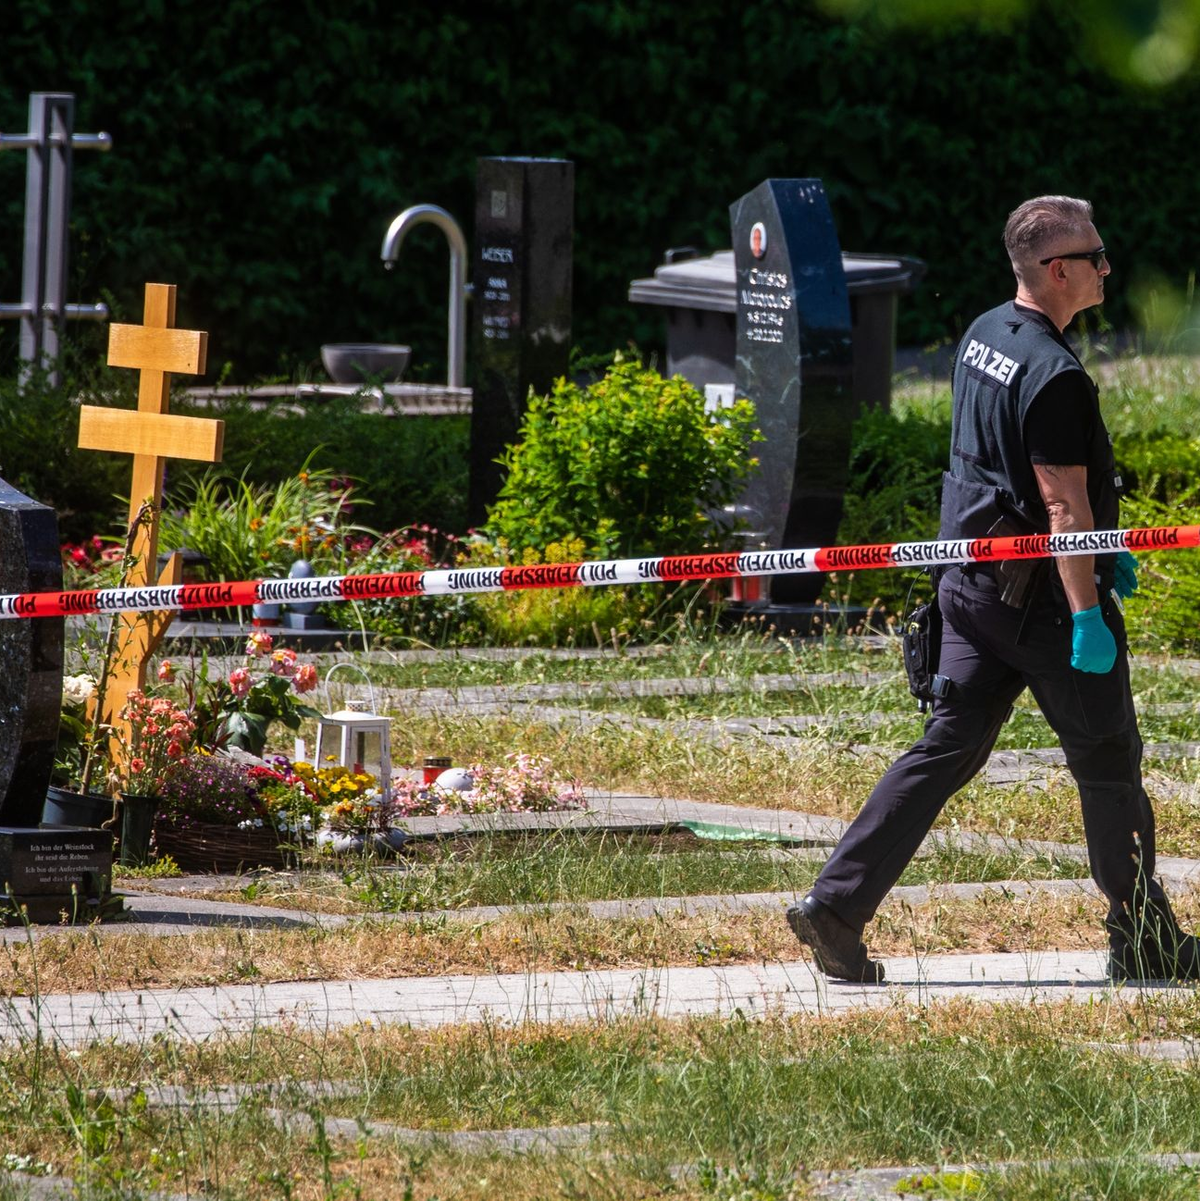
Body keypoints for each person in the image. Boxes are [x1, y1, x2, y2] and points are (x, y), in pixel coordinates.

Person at [787, 195, 1200, 984]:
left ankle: (835, 907)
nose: (1107, 268)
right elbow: (1059, 506)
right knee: (1110, 758)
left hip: (969, 589)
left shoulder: (984, 334)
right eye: (1097, 256)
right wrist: (1088, 609)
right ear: (1057, 270)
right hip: (1039, 605)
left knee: (949, 744)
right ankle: (1143, 937)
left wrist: (1107, 549)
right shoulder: (1055, 375)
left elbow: (987, 462)